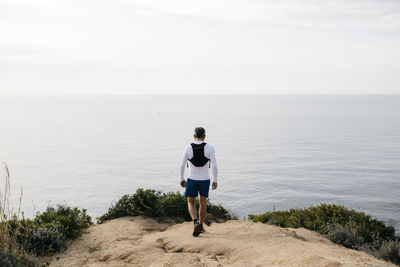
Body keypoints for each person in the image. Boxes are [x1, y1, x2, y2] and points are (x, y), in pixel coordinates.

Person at [179, 127, 218, 237]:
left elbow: (182, 165)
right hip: (205, 179)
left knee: (191, 202)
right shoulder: (210, 148)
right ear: (204, 136)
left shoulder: (188, 148)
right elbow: (214, 165)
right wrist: (215, 180)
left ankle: (195, 222)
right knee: (203, 202)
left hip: (192, 179)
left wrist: (182, 178)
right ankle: (200, 226)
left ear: (194, 136)